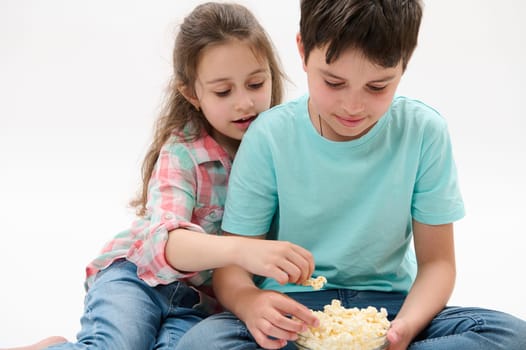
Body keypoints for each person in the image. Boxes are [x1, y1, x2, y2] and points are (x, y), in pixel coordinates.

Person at [174, 0, 526, 349]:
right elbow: (233, 269)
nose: (353, 106)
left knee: (509, 335)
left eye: (377, 87)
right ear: (302, 50)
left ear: (406, 63)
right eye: (334, 82)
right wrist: (252, 304)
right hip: (293, 314)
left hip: (390, 310)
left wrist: (404, 329)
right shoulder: (268, 136)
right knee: (204, 342)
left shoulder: (423, 132)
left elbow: (437, 263)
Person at [8, 2, 313, 349]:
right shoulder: (183, 152)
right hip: (137, 280)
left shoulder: (276, 148)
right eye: (223, 92)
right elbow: (165, 240)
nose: (244, 102)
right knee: (116, 345)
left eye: (256, 84)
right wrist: (240, 251)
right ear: (191, 93)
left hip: (198, 304)